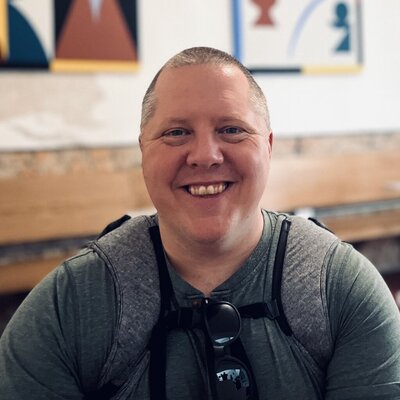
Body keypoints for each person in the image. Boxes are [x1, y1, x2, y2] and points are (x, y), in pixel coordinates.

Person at [1, 46, 400, 399]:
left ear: (268, 146)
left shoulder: (340, 288)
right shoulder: (72, 303)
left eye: (231, 130)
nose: (205, 155)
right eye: (176, 132)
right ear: (143, 151)